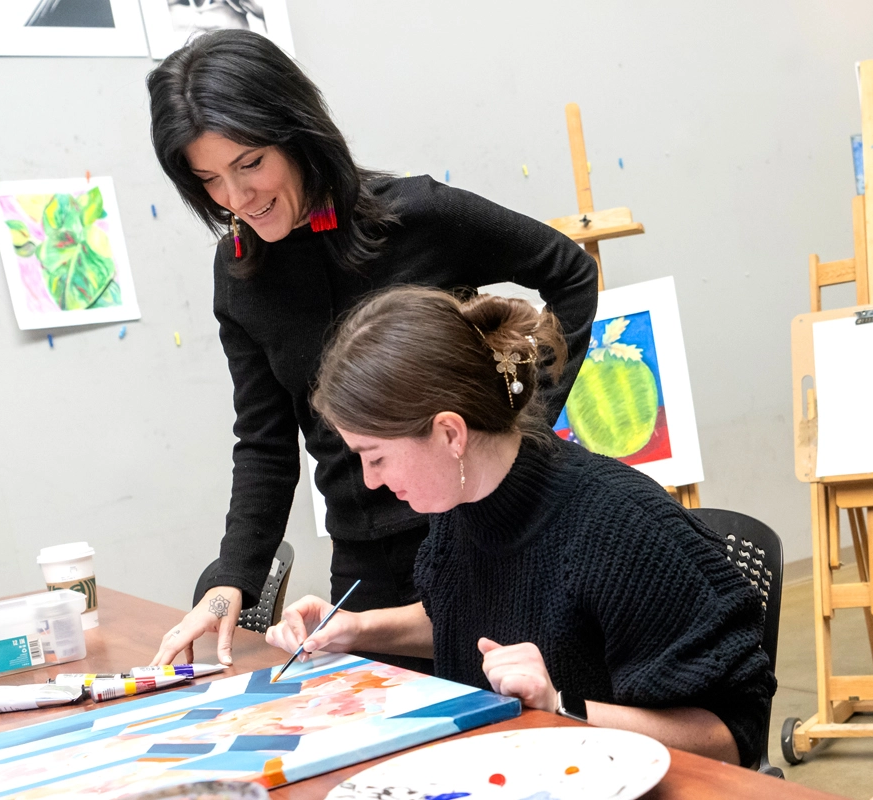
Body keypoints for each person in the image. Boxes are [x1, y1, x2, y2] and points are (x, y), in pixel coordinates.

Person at [143, 30, 598, 671]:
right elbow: (266, 444)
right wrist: (231, 580)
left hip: (485, 536)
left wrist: (523, 426)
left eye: (249, 164)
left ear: (297, 134)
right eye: (209, 179)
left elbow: (571, 275)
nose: (236, 199)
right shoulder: (239, 272)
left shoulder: (417, 214)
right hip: (365, 560)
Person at [263, 287, 776, 767]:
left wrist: (561, 705)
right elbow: (466, 615)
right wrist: (356, 628)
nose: (371, 481)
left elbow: (730, 735)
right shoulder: (463, 504)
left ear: (449, 433)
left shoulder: (622, 528)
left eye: (375, 457)